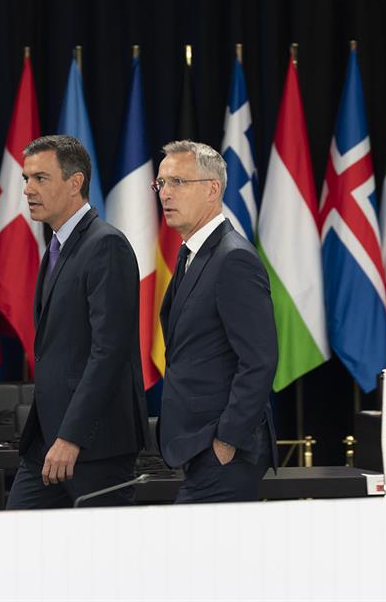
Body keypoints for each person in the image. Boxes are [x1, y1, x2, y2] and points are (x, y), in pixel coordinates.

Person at [5, 134, 148, 509]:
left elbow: (108, 352)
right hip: (46, 441)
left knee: (103, 561)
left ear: (75, 183)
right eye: (26, 179)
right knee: (15, 544)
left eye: (40, 178)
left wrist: (71, 436)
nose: (28, 190)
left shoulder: (105, 246)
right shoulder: (57, 248)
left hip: (92, 444)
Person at [155, 139, 278, 503]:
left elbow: (259, 360)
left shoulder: (233, 259)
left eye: (178, 182)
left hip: (224, 453)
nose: (165, 193)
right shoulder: (193, 254)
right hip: (195, 446)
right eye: (161, 183)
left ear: (213, 189)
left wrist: (226, 440)